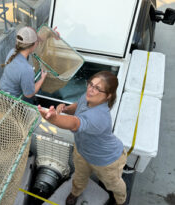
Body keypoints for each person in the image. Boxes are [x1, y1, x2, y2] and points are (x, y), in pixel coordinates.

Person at [38, 71, 127, 205]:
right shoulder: (88, 98)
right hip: (82, 151)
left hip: (105, 160)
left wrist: (54, 118)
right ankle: (75, 193)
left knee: (113, 184)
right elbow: (78, 105)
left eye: (97, 88)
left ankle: (121, 200)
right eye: (91, 84)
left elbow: (74, 123)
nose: (91, 90)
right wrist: (66, 109)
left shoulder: (99, 117)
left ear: (108, 96)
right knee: (79, 176)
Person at [0, 26, 47, 102]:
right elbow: (29, 94)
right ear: (34, 44)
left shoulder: (12, 52)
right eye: (37, 42)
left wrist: (50, 34)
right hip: (11, 102)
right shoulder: (27, 69)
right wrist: (42, 78)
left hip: (1, 94)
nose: (38, 43)